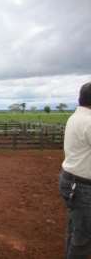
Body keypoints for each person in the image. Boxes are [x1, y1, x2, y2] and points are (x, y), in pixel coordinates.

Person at [60, 82, 91, 259]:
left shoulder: (75, 117)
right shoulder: (88, 121)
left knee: (76, 229)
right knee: (84, 237)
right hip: (82, 186)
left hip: (71, 181)